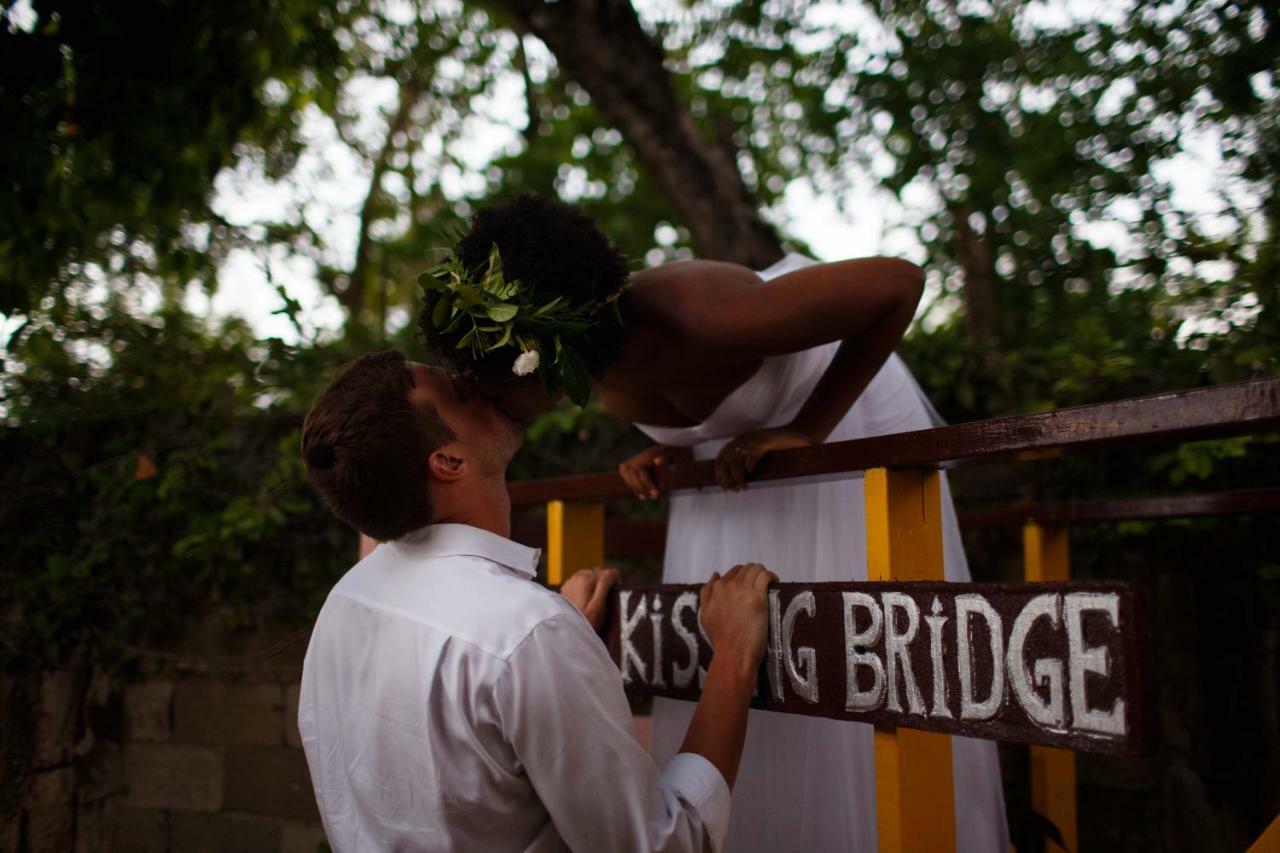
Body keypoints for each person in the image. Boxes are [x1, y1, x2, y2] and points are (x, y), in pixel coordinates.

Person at [416, 194, 1010, 852]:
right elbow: (707, 411)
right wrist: (682, 447)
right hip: (731, 477)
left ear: (549, 347)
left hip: (842, 430)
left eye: (498, 382)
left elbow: (899, 282)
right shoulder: (588, 360)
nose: (493, 398)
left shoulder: (701, 311)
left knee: (846, 664)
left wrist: (807, 428)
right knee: (745, 649)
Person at [298, 348, 777, 852]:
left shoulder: (346, 602)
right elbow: (661, 845)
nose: (482, 385)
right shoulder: (528, 633)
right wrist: (733, 658)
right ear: (448, 461)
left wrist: (558, 650)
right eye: (462, 392)